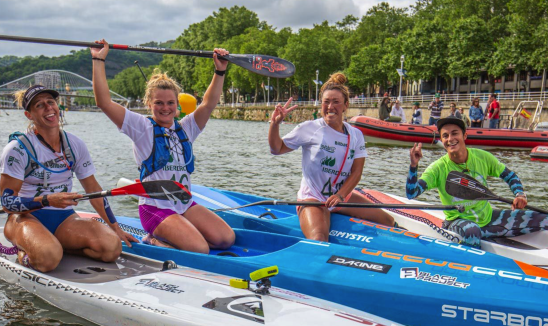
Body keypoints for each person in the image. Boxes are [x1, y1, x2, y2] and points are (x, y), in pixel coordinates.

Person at [91, 39, 235, 254]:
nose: (165, 108)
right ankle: (153, 239)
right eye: (159, 103)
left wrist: (220, 71)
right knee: (200, 249)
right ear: (149, 104)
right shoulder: (141, 127)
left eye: (170, 103)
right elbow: (103, 102)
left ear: (177, 106)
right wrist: (98, 59)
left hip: (184, 204)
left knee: (226, 239)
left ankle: (180, 234)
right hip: (154, 209)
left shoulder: (187, 128)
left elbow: (208, 103)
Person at [0, 85, 137, 272]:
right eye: (39, 105)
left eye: (51, 102)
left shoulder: (74, 144)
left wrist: (115, 227)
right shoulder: (17, 149)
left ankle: (56, 247)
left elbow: (92, 188)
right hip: (25, 218)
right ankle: (28, 252)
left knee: (111, 248)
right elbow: (7, 203)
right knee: (48, 258)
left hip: (63, 219)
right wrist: (46, 200)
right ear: (29, 115)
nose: (48, 108)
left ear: (58, 107)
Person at [268, 73, 394, 242]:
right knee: (319, 238)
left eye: (336, 102)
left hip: (342, 197)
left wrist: (340, 196)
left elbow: (356, 173)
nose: (330, 106)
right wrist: (274, 124)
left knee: (388, 221)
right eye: (326, 102)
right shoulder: (309, 128)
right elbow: (277, 149)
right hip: (313, 197)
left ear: (345, 106)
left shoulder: (355, 135)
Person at [405, 117, 548, 248]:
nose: (450, 139)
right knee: (472, 231)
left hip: (489, 219)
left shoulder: (482, 157)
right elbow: (412, 193)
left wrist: (519, 195)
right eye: (445, 136)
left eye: (454, 134)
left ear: (465, 135)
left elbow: (510, 176)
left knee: (547, 220)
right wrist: (414, 166)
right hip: (458, 222)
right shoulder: (437, 168)